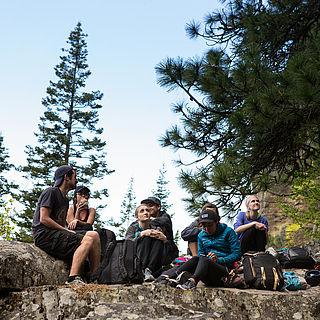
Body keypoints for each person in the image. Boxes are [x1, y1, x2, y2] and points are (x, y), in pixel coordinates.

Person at [32, 165, 101, 285]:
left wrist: (67, 230)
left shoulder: (65, 199)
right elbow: (44, 219)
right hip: (44, 235)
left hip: (55, 234)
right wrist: (65, 230)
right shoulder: (51, 192)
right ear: (66, 177)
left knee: (94, 235)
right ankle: (73, 278)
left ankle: (94, 277)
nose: (77, 180)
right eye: (75, 176)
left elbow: (61, 224)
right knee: (88, 240)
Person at [175, 208, 241, 290]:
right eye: (204, 226)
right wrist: (209, 258)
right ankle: (174, 276)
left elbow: (237, 254)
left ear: (216, 222)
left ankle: (192, 281)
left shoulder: (228, 232)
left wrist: (219, 260)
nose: (207, 229)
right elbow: (201, 255)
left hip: (224, 271)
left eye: (210, 225)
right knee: (196, 258)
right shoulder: (201, 235)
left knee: (204, 259)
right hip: (206, 272)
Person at [125, 204, 167, 282]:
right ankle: (142, 270)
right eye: (142, 211)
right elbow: (127, 244)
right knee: (146, 238)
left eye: (147, 210)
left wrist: (164, 239)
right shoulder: (133, 228)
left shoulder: (156, 228)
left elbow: (165, 248)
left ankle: (149, 270)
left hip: (154, 260)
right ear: (137, 217)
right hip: (136, 258)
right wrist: (141, 234)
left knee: (158, 239)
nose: (145, 212)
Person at [140, 196, 179, 267]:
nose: (148, 209)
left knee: (156, 238)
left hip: (166, 250)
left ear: (158, 207)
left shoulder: (164, 217)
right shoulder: (138, 222)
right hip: (145, 251)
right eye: (145, 207)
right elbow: (129, 237)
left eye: (150, 206)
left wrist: (148, 220)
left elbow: (164, 221)